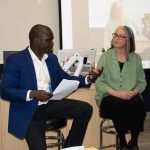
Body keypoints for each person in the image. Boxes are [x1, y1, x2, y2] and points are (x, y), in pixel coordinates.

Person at [1, 24, 102, 150]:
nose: (52, 44)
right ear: (37, 40)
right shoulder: (16, 60)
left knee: (85, 109)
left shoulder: (52, 59)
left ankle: (69, 148)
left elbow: (67, 78)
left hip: (51, 104)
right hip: (30, 109)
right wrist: (32, 93)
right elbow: (5, 91)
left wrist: (89, 78)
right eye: (49, 40)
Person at [95, 26, 146, 150]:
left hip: (129, 95)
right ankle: (122, 142)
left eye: (121, 36)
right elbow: (99, 82)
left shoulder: (136, 59)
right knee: (118, 103)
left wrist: (133, 93)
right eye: (115, 35)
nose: (116, 38)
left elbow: (141, 82)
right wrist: (118, 94)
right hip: (109, 97)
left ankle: (133, 142)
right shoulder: (105, 57)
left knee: (138, 102)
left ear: (128, 40)